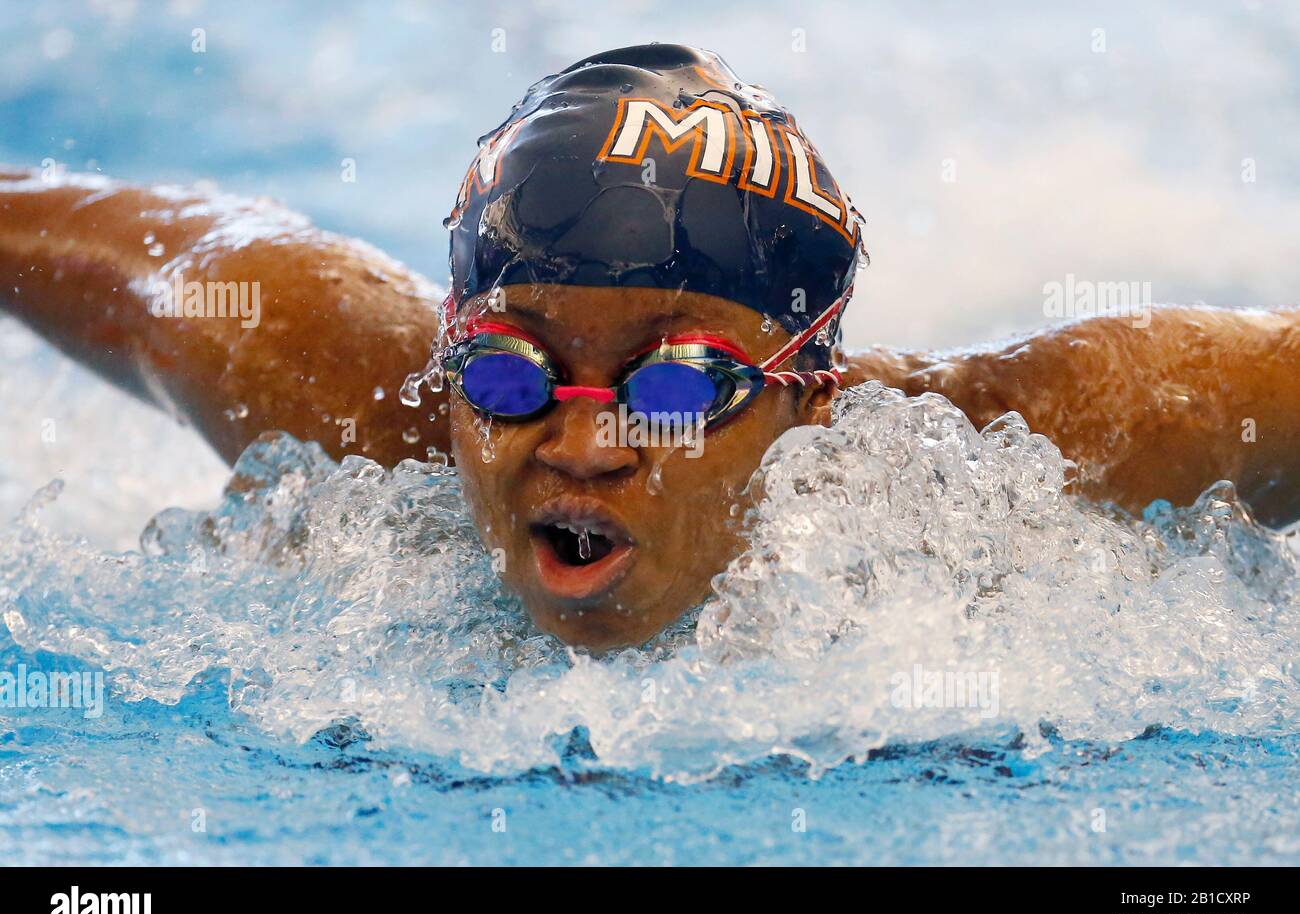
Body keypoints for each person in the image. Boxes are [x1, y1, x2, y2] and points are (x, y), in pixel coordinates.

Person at [2, 44, 1297, 649]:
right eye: (510, 374)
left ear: (810, 400)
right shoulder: (351, 400)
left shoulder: (1038, 455)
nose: (578, 446)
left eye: (676, 387)